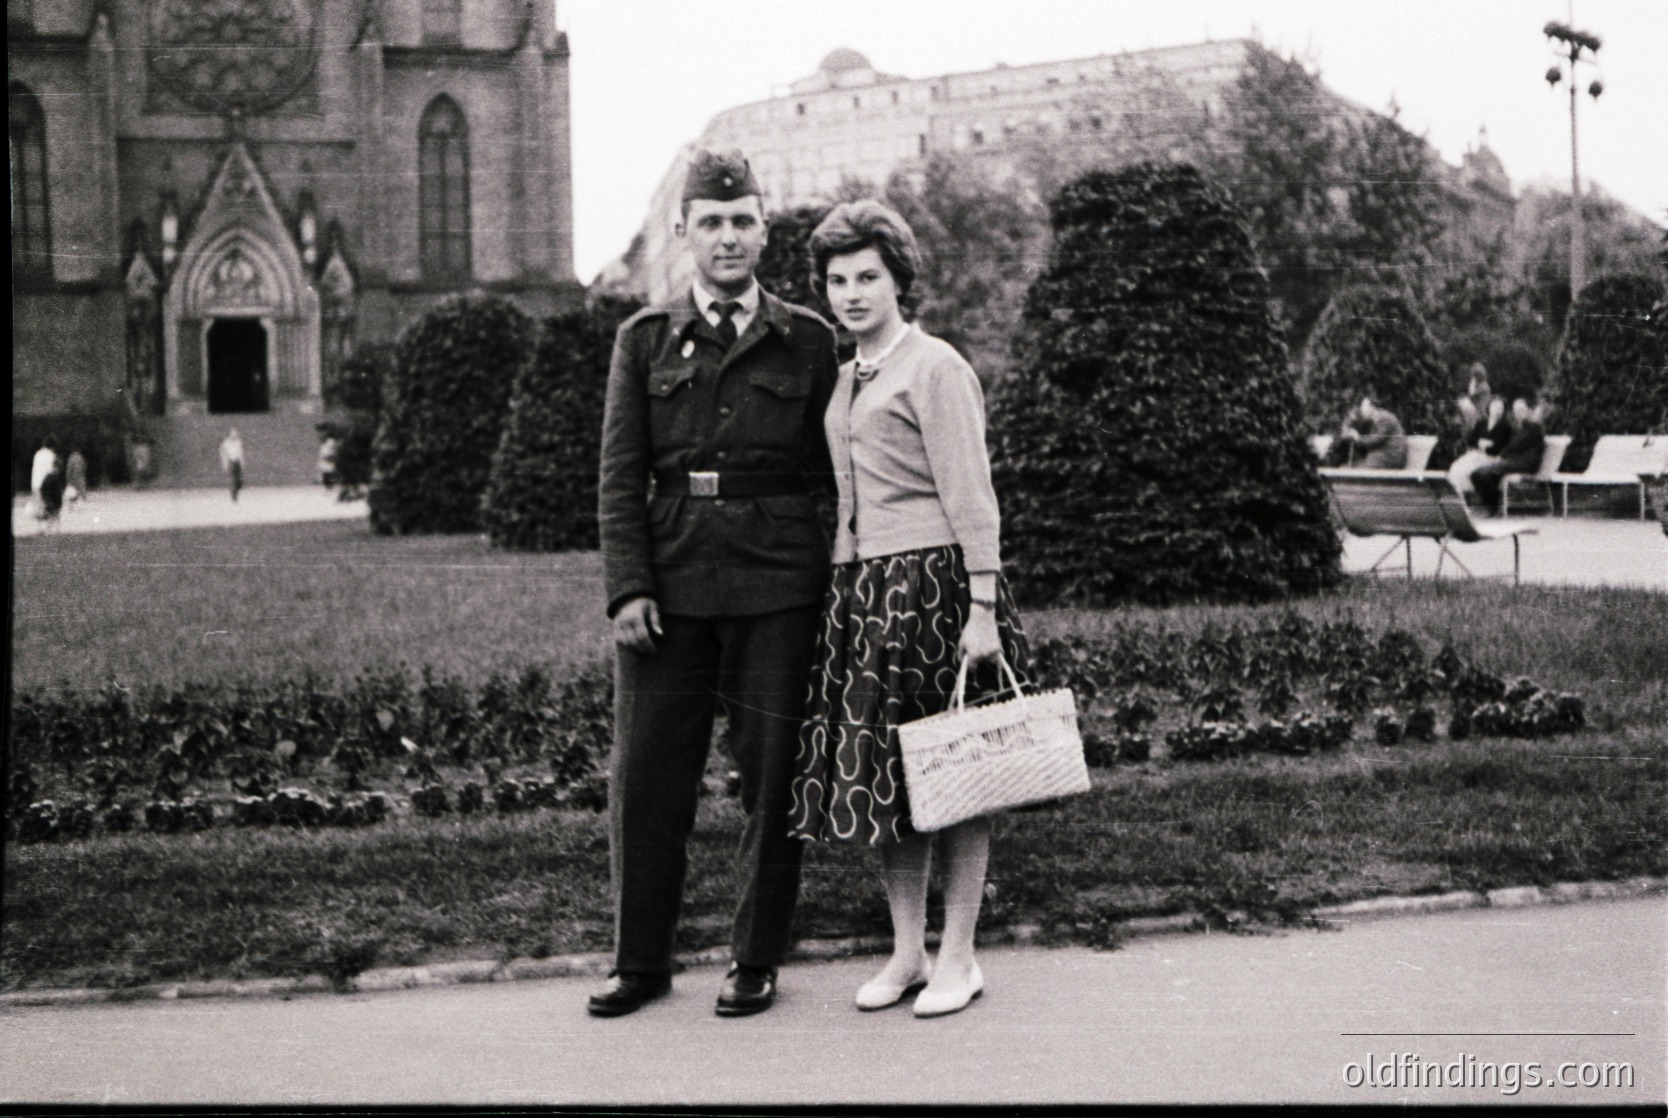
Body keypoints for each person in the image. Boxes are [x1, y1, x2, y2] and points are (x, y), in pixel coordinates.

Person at [590, 149, 839, 1019]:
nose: (728, 238)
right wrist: (627, 589)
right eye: (712, 222)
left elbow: (831, 469)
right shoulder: (644, 339)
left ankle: (754, 957)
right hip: (671, 582)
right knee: (649, 776)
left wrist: (830, 573)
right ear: (684, 232)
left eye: (743, 221)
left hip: (778, 586)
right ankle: (641, 961)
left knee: (772, 778)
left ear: (764, 231)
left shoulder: (807, 339)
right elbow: (620, 475)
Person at [788, 200, 1032, 1019]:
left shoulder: (935, 367)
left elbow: (973, 495)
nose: (851, 293)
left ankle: (960, 958)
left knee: (954, 773)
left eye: (868, 277)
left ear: (898, 280)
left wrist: (983, 606)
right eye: (837, 280)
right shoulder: (847, 371)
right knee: (886, 783)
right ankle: (908, 954)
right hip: (863, 594)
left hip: (934, 591)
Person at [1469, 394, 1546, 516]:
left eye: (1521, 410)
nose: (1518, 413)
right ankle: (1492, 504)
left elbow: (1517, 444)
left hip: (1526, 464)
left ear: (1529, 410)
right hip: (1514, 462)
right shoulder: (1521, 427)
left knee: (1484, 474)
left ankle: (1492, 507)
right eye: (1516, 410)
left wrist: (1500, 456)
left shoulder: (1534, 427)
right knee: (1477, 474)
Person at [1448, 363, 1506, 498]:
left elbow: (1498, 446)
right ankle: (1459, 495)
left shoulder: (1483, 388)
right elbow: (1472, 440)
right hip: (1476, 442)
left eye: (1499, 407)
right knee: (1458, 466)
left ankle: (1463, 495)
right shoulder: (1483, 422)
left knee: (1466, 468)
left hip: (1487, 454)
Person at [1321, 394, 1407, 469]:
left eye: (1363, 406)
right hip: (1380, 455)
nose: (1361, 410)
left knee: (1360, 467)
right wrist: (1349, 430)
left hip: (1390, 457)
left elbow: (1375, 440)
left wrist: (1357, 437)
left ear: (1372, 407)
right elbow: (1349, 432)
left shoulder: (1385, 418)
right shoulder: (1373, 420)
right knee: (1354, 465)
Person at [30, 438, 62, 525]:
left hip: (35, 483)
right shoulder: (51, 455)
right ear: (52, 446)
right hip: (46, 484)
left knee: (38, 506)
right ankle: (48, 527)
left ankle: (38, 527)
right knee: (48, 505)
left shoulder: (37, 454)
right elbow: (52, 471)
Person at [219, 429, 244, 502]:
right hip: (231, 461)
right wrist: (224, 462)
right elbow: (222, 452)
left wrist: (242, 461)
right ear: (230, 435)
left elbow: (240, 452)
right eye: (233, 434)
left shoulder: (239, 441)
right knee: (233, 479)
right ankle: (234, 497)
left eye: (236, 434)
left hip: (237, 461)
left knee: (239, 480)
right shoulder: (226, 443)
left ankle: (237, 489)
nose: (234, 435)